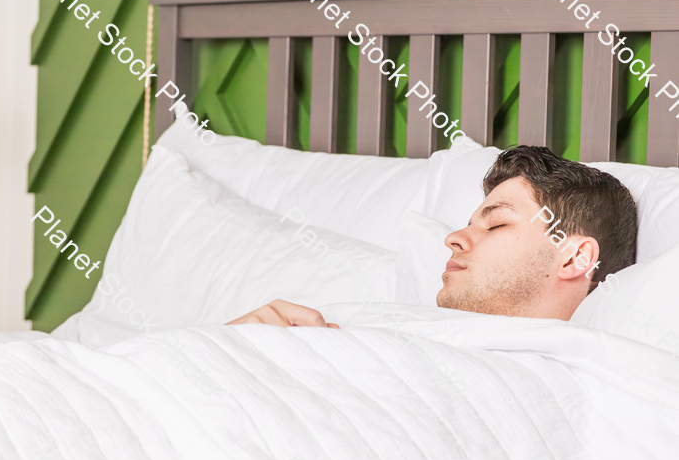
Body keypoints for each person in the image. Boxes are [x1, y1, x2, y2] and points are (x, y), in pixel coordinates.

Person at [227, 145, 638, 328]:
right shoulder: (380, 327)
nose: (454, 238)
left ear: (574, 258)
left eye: (496, 224)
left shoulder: (585, 380)